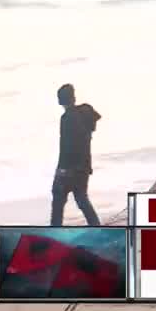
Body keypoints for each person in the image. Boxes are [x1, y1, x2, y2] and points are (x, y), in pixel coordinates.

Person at [51, 83, 102, 227]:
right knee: (82, 199)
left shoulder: (66, 118)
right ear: (73, 97)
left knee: (58, 199)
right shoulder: (85, 113)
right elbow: (85, 137)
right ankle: (96, 227)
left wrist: (61, 169)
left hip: (69, 168)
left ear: (60, 101)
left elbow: (66, 147)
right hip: (84, 167)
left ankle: (54, 232)